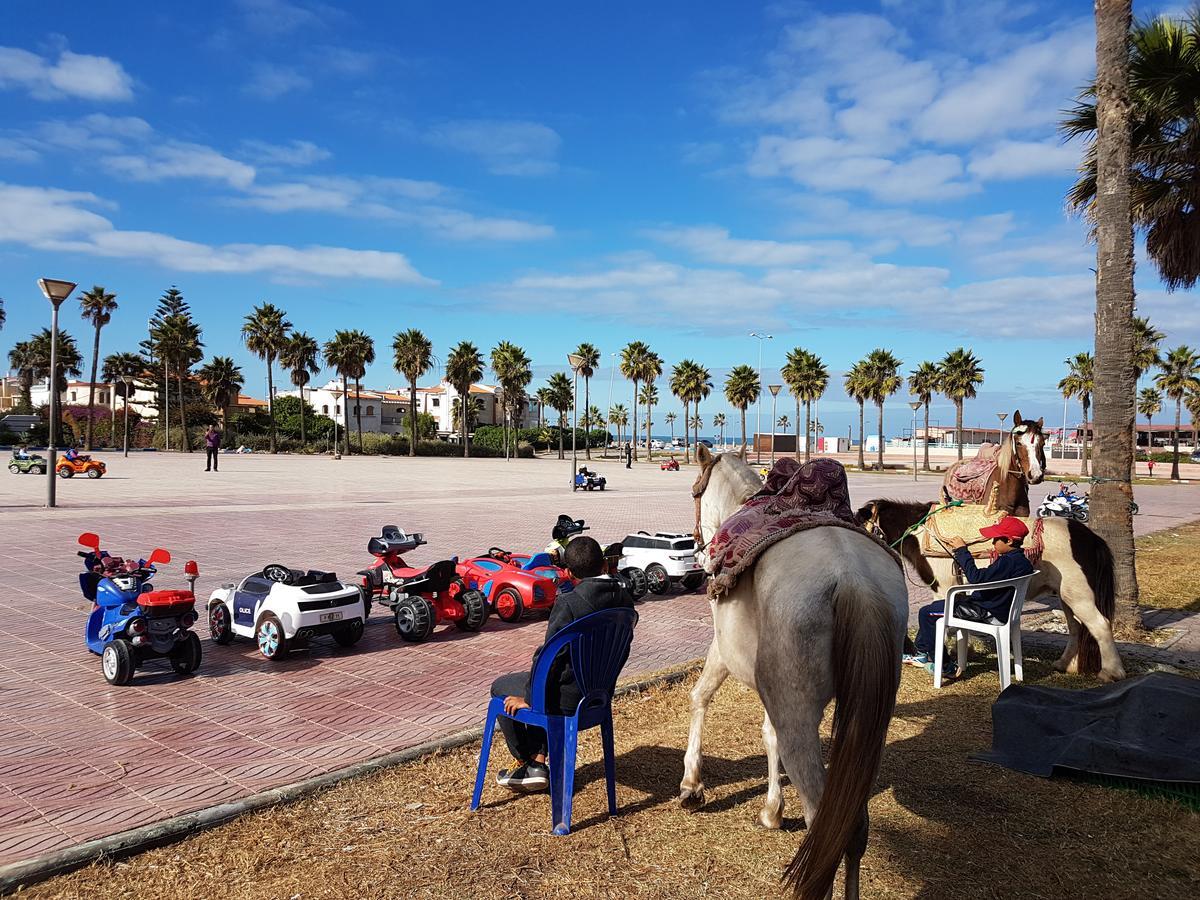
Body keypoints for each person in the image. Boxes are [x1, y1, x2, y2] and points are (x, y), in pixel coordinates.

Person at [490, 536, 635, 792]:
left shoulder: (569, 603)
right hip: (598, 696)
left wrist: (529, 698)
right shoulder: (625, 600)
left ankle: (531, 761)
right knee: (544, 684)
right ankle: (537, 761)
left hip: (566, 702)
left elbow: (548, 657)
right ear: (603, 565)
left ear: (567, 573)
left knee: (501, 686)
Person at [907, 516, 1034, 678]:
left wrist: (962, 551)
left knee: (927, 613)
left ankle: (945, 666)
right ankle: (922, 650)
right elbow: (986, 578)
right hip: (995, 608)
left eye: (996, 538)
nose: (993, 542)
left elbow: (976, 578)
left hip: (986, 612)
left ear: (1009, 541)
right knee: (936, 607)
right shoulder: (1021, 562)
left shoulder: (1006, 563)